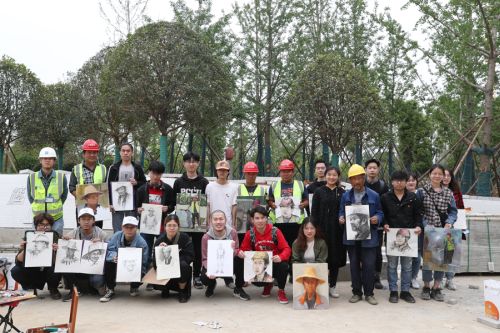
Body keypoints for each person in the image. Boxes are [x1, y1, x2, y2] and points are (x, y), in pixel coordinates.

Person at [339, 164, 383, 305]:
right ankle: (356, 292)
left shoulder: (374, 195)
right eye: (353, 179)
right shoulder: (346, 195)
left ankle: (369, 293)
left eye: (359, 178)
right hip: (352, 237)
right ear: (350, 180)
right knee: (353, 266)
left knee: (369, 265)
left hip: (369, 237)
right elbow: (341, 211)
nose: (357, 182)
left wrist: (378, 218)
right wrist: (340, 218)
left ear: (364, 178)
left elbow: (380, 212)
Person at [381, 170, 423, 304]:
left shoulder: (413, 197)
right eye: (396, 180)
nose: (399, 183)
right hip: (392, 235)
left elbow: (418, 215)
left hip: (408, 237)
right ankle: (393, 290)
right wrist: (385, 223)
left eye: (402, 180)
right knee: (392, 265)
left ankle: (405, 291)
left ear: (406, 182)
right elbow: (383, 214)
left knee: (407, 265)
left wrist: (418, 226)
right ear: (392, 182)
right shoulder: (385, 197)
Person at [420, 164, 457, 302]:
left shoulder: (448, 193)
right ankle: (426, 286)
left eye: (439, 174)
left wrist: (450, 221)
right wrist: (425, 224)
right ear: (430, 175)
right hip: (428, 232)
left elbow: (453, 211)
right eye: (434, 173)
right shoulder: (422, 191)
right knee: (428, 259)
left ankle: (436, 287)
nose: (437, 176)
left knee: (442, 260)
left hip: (444, 231)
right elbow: (419, 212)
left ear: (443, 176)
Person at [239, 206, 291, 304]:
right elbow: (243, 249)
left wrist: (281, 257)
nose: (260, 221)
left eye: (263, 218)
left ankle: (281, 290)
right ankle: (268, 284)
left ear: (267, 219)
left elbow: (287, 249)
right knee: (257, 282)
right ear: (252, 220)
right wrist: (241, 253)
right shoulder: (250, 234)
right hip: (261, 264)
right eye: (257, 218)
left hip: (274, 262)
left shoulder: (275, 231)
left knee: (284, 265)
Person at [173, 152, 210, 290]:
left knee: (198, 250)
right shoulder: (178, 182)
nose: (191, 164)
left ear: (198, 163)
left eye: (194, 161)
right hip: (182, 223)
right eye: (188, 161)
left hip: (198, 223)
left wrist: (205, 221)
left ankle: (197, 276)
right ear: (184, 163)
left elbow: (206, 203)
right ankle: (182, 275)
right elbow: (174, 202)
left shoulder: (204, 182)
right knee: (182, 249)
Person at [311, 166, 345, 298]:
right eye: (329, 175)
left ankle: (333, 286)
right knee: (322, 258)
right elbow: (314, 213)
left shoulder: (342, 192)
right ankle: (321, 285)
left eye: (334, 175)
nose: (332, 177)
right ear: (325, 176)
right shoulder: (319, 192)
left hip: (337, 231)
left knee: (335, 259)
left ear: (338, 177)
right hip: (322, 230)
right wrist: (314, 229)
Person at [61, 208, 108, 301]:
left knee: (97, 280)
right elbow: (64, 246)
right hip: (78, 266)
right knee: (65, 263)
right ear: (79, 221)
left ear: (94, 221)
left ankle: (96, 287)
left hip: (94, 266)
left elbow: (109, 251)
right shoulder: (73, 232)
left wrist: (101, 244)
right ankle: (73, 290)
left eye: (89, 219)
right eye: (83, 219)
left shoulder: (102, 234)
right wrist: (65, 240)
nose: (86, 222)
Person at [11, 213, 62, 299]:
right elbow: (18, 261)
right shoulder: (30, 237)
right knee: (15, 270)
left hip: (48, 270)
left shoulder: (55, 237)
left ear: (51, 226)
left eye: (47, 225)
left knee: (57, 267)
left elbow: (62, 259)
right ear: (36, 226)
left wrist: (57, 251)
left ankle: (53, 288)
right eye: (41, 225)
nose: (44, 227)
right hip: (33, 270)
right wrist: (24, 250)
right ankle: (29, 287)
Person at [201, 210, 249, 300]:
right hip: (214, 265)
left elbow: (237, 250)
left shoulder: (233, 233)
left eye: (221, 219)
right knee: (204, 277)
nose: (218, 222)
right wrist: (210, 270)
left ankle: (238, 288)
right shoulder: (206, 237)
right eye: (215, 219)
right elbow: (204, 258)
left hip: (229, 263)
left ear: (225, 220)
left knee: (241, 260)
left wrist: (236, 251)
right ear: (211, 221)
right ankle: (211, 285)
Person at [136, 161, 175, 270]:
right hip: (146, 227)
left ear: (161, 174)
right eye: (153, 173)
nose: (156, 176)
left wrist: (168, 208)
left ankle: (159, 275)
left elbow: (173, 204)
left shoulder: (167, 189)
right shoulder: (142, 189)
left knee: (161, 251)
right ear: (149, 173)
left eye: (158, 174)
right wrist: (138, 210)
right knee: (146, 252)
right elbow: (135, 206)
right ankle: (146, 275)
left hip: (162, 226)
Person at [100, 216, 148, 302]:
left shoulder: (142, 243)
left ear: (136, 228)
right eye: (126, 227)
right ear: (122, 227)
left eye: (132, 227)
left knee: (142, 270)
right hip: (118, 264)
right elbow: (109, 249)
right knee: (108, 263)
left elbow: (144, 262)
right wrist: (114, 256)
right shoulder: (116, 236)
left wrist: (136, 262)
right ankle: (110, 289)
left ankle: (134, 287)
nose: (129, 229)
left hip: (133, 266)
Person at [27, 147, 68, 236]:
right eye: (45, 158)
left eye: (50, 158)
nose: (47, 161)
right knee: (37, 245)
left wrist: (55, 205)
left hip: (56, 218)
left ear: (54, 161)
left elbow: (64, 195)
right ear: (40, 160)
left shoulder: (61, 177)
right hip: (38, 219)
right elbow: (30, 197)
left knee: (55, 244)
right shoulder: (32, 177)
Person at [152, 214, 194, 303]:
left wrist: (176, 261)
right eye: (169, 225)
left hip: (180, 267)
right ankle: (165, 288)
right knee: (159, 268)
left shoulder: (185, 238)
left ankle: (182, 290)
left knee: (184, 266)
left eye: (174, 225)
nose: (172, 228)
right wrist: (160, 251)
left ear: (178, 227)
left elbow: (190, 256)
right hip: (165, 269)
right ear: (165, 227)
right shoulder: (159, 240)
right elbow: (155, 262)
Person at [268, 159, 308, 249]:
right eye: (283, 171)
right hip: (279, 222)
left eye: (288, 171)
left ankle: (293, 262)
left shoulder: (300, 185)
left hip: (296, 222)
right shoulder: (274, 185)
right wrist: (272, 204)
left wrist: (303, 204)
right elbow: (269, 200)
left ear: (293, 172)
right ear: (280, 172)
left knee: (295, 244)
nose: (285, 174)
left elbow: (306, 200)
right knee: (280, 245)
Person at [107, 143, 146, 232]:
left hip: (132, 203)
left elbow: (144, 183)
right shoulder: (113, 168)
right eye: (123, 151)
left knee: (131, 228)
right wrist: (109, 203)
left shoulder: (137, 168)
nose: (125, 153)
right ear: (120, 152)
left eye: (128, 151)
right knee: (117, 229)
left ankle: (130, 246)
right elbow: (108, 186)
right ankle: (118, 245)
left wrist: (136, 183)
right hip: (116, 203)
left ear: (132, 153)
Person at [364, 158, 389, 290]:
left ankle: (376, 277)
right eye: (370, 168)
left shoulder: (383, 186)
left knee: (377, 251)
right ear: (365, 170)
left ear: (378, 170)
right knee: (362, 251)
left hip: (377, 225)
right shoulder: (361, 184)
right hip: (361, 224)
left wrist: (383, 222)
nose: (372, 170)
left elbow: (386, 206)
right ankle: (364, 276)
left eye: (375, 168)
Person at [441, 168, 464, 291]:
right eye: (443, 175)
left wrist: (461, 229)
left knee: (449, 253)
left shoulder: (456, 192)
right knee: (436, 253)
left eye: (448, 175)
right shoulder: (434, 190)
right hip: (436, 228)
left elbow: (459, 211)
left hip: (451, 228)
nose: (446, 178)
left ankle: (449, 279)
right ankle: (438, 280)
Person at [206, 160, 238, 229]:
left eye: (224, 170)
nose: (222, 172)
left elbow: (234, 207)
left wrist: (234, 224)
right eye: (220, 170)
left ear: (228, 172)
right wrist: (207, 223)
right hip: (213, 226)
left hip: (228, 226)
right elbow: (208, 205)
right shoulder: (209, 186)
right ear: (216, 171)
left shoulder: (234, 187)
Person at [406, 172, 424, 289]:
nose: (411, 182)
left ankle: (413, 278)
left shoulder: (421, 194)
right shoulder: (401, 194)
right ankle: (405, 279)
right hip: (405, 231)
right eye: (408, 180)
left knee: (417, 257)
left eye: (413, 180)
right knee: (406, 257)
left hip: (418, 230)